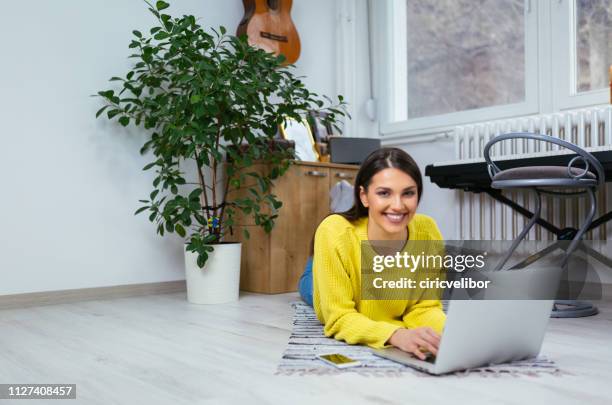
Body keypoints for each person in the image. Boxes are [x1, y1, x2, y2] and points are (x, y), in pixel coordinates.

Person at [298, 147, 445, 360]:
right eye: (384, 193)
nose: (398, 205)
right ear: (364, 196)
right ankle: (317, 255)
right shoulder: (333, 232)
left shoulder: (427, 231)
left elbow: (425, 308)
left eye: (408, 193)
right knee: (309, 287)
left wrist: (451, 332)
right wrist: (396, 334)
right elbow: (339, 318)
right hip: (338, 261)